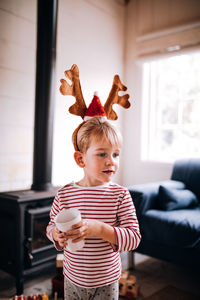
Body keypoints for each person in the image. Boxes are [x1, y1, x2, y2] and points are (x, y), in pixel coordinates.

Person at [46, 116, 141, 300]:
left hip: (106, 280)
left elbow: (134, 238)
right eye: (102, 154)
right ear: (81, 159)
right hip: (72, 279)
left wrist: (99, 229)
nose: (111, 161)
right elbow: (51, 226)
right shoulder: (64, 194)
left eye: (115, 154)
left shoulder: (120, 195)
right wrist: (55, 235)